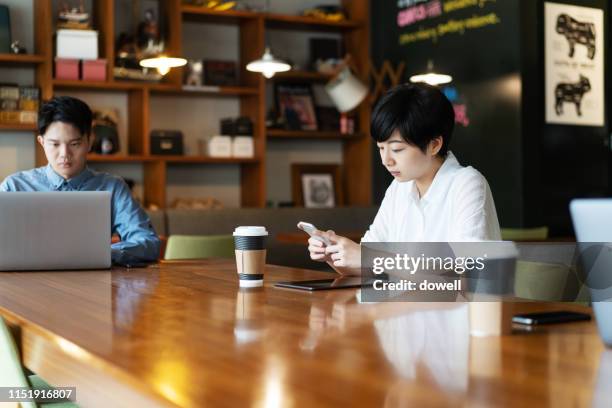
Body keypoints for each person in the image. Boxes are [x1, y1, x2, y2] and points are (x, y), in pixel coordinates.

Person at [308, 83, 501, 275]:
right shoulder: (399, 188)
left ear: (434, 145)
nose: (386, 160)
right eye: (381, 148)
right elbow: (368, 268)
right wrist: (334, 254)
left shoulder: (467, 183)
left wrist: (370, 258)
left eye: (397, 149)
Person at [0, 96, 160, 266]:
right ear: (41, 142)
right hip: (25, 285)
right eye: (54, 144)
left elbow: (148, 242)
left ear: (90, 141)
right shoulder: (14, 187)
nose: (64, 154)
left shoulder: (112, 188)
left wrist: (103, 254)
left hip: (92, 286)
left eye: (74, 144)